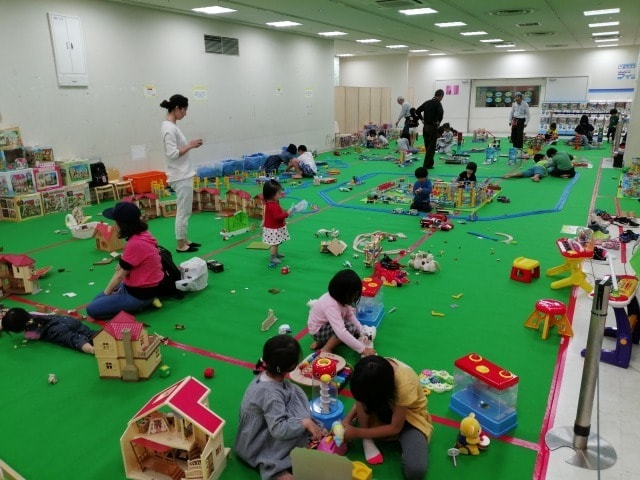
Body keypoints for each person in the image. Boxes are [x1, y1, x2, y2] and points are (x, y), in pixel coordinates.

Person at [235, 335, 323, 480]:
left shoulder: (268, 374)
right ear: (290, 367)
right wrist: (305, 423)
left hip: (268, 420)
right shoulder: (272, 394)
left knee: (295, 394)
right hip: (258, 440)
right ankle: (274, 469)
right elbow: (279, 430)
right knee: (296, 433)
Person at [342, 355, 433, 479]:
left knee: (415, 471)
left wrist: (357, 433)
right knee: (363, 394)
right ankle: (367, 439)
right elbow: (361, 396)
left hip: (410, 418)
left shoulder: (403, 385)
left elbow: (395, 427)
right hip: (382, 406)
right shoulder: (370, 370)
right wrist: (347, 420)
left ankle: (366, 434)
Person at [86, 202, 164, 320]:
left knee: (92, 309)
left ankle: (139, 306)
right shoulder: (142, 234)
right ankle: (144, 301)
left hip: (138, 295)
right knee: (97, 300)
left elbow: (119, 275)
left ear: (123, 224)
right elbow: (127, 267)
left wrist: (108, 293)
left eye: (115, 221)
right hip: (137, 287)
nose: (114, 225)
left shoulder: (135, 244)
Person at [160, 94, 203, 253]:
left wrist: (190, 145)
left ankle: (185, 239)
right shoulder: (169, 128)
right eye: (184, 110)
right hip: (180, 175)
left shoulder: (172, 126)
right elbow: (172, 153)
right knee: (183, 212)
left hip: (183, 173)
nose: (185, 113)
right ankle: (180, 245)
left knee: (186, 210)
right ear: (177, 109)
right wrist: (190, 145)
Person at [308, 269, 376, 356]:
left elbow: (350, 316)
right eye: (353, 294)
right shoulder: (331, 305)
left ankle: (322, 342)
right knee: (349, 328)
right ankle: (326, 349)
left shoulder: (340, 298)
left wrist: (362, 331)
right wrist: (363, 349)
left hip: (325, 327)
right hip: (317, 331)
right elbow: (341, 331)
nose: (355, 297)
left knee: (354, 329)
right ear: (343, 293)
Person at [1, 307, 98, 354]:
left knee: (75, 340)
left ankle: (91, 349)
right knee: (88, 332)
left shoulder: (29, 334)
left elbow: (36, 335)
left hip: (57, 331)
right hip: (66, 320)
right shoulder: (33, 314)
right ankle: (102, 336)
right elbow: (47, 315)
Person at [262, 179, 290, 265]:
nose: (280, 194)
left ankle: (276, 254)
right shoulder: (272, 205)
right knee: (274, 243)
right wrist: (287, 214)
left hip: (275, 227)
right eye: (278, 193)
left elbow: (276, 214)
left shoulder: (272, 203)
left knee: (277, 242)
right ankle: (272, 257)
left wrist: (284, 212)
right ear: (271, 195)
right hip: (273, 228)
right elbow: (277, 217)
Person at [415, 89, 445, 169]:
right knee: (431, 148)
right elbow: (441, 112)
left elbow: (417, 111)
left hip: (425, 127)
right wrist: (439, 121)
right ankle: (425, 166)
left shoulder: (427, 102)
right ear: (441, 96)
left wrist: (422, 119)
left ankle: (430, 164)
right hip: (432, 127)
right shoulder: (438, 103)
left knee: (428, 146)